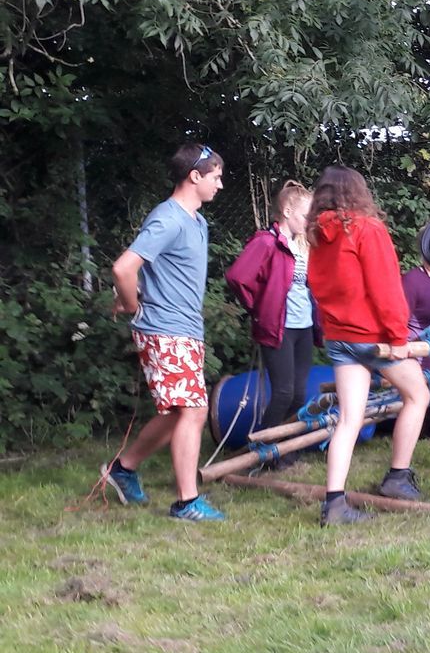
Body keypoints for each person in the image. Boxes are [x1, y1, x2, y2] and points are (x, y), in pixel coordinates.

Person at [100, 143, 227, 521]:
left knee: (179, 411)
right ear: (195, 177)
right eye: (216, 177)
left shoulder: (196, 221)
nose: (220, 185)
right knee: (194, 411)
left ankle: (123, 470)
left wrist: (140, 292)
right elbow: (124, 268)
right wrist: (132, 304)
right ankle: (187, 502)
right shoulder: (168, 218)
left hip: (185, 329)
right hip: (165, 329)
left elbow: (156, 272)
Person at [306, 165, 430, 524]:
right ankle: (397, 476)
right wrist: (398, 340)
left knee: (349, 419)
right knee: (417, 395)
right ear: (359, 192)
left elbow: (319, 288)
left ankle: (334, 503)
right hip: (371, 339)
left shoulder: (316, 235)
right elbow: (386, 289)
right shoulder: (367, 229)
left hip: (339, 337)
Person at [223, 180, 320, 440]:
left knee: (299, 394)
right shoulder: (267, 243)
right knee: (283, 392)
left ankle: (284, 449)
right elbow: (237, 277)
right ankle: (263, 447)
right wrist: (259, 307)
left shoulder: (303, 245)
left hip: (304, 327)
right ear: (287, 212)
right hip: (279, 327)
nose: (309, 221)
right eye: (305, 215)